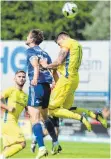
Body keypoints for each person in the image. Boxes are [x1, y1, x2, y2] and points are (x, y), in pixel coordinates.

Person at [40, 31, 107, 129]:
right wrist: (53, 69)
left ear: (61, 38)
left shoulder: (67, 43)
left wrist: (45, 66)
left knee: (50, 109)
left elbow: (58, 61)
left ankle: (81, 118)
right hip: (74, 79)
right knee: (66, 109)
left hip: (67, 79)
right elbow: (61, 65)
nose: (60, 46)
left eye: (59, 44)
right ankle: (94, 115)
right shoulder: (77, 45)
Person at [26, 29, 60, 159]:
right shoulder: (45, 53)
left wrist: (35, 78)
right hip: (46, 87)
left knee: (34, 118)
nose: (27, 38)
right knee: (45, 118)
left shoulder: (30, 51)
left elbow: (35, 65)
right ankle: (56, 142)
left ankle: (41, 147)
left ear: (32, 39)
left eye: (28, 36)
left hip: (37, 85)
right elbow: (52, 69)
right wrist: (54, 83)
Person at [0, 70, 28, 159]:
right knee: (22, 143)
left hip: (11, 123)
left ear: (25, 80)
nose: (21, 78)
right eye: (19, 76)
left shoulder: (25, 96)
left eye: (23, 77)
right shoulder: (11, 90)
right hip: (8, 121)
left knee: (7, 149)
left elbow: (30, 112)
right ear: (14, 79)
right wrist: (7, 107)